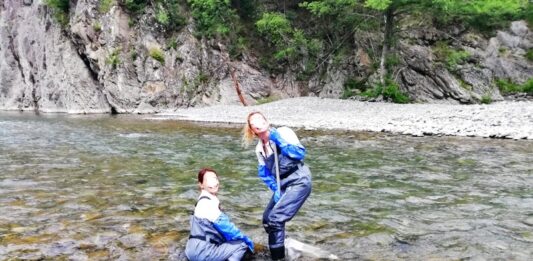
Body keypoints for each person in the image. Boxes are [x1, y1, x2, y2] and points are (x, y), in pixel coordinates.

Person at [242, 111, 312, 260]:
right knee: (268, 219)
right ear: (252, 130)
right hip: (283, 185)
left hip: (299, 180)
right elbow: (264, 174)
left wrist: (279, 140)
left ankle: (278, 257)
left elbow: (299, 153)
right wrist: (275, 189)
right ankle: (281, 243)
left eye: (259, 119)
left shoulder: (283, 132)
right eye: (253, 123)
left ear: (266, 122)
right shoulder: (260, 149)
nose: (257, 123)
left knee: (276, 219)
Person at [185, 168, 254, 261]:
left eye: (215, 179)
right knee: (241, 245)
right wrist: (247, 241)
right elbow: (228, 228)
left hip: (190, 250)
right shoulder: (208, 204)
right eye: (208, 180)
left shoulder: (200, 202)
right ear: (201, 185)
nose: (214, 182)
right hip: (202, 253)